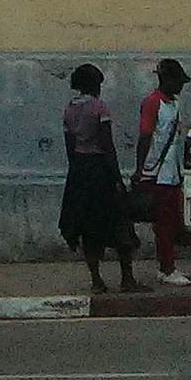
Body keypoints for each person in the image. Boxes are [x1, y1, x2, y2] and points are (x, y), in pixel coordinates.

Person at [58, 64, 137, 293]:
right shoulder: (99, 109)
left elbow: (70, 148)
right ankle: (127, 279)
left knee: (87, 227)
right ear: (95, 85)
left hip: (80, 173)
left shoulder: (69, 110)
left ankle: (96, 280)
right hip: (100, 171)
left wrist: (76, 176)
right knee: (119, 223)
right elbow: (107, 146)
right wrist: (116, 178)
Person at [133, 57, 191, 287]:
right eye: (178, 81)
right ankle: (167, 268)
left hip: (172, 172)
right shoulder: (152, 103)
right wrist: (139, 169)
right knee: (164, 223)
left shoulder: (173, 104)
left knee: (173, 221)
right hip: (157, 173)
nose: (180, 86)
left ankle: (167, 264)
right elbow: (145, 136)